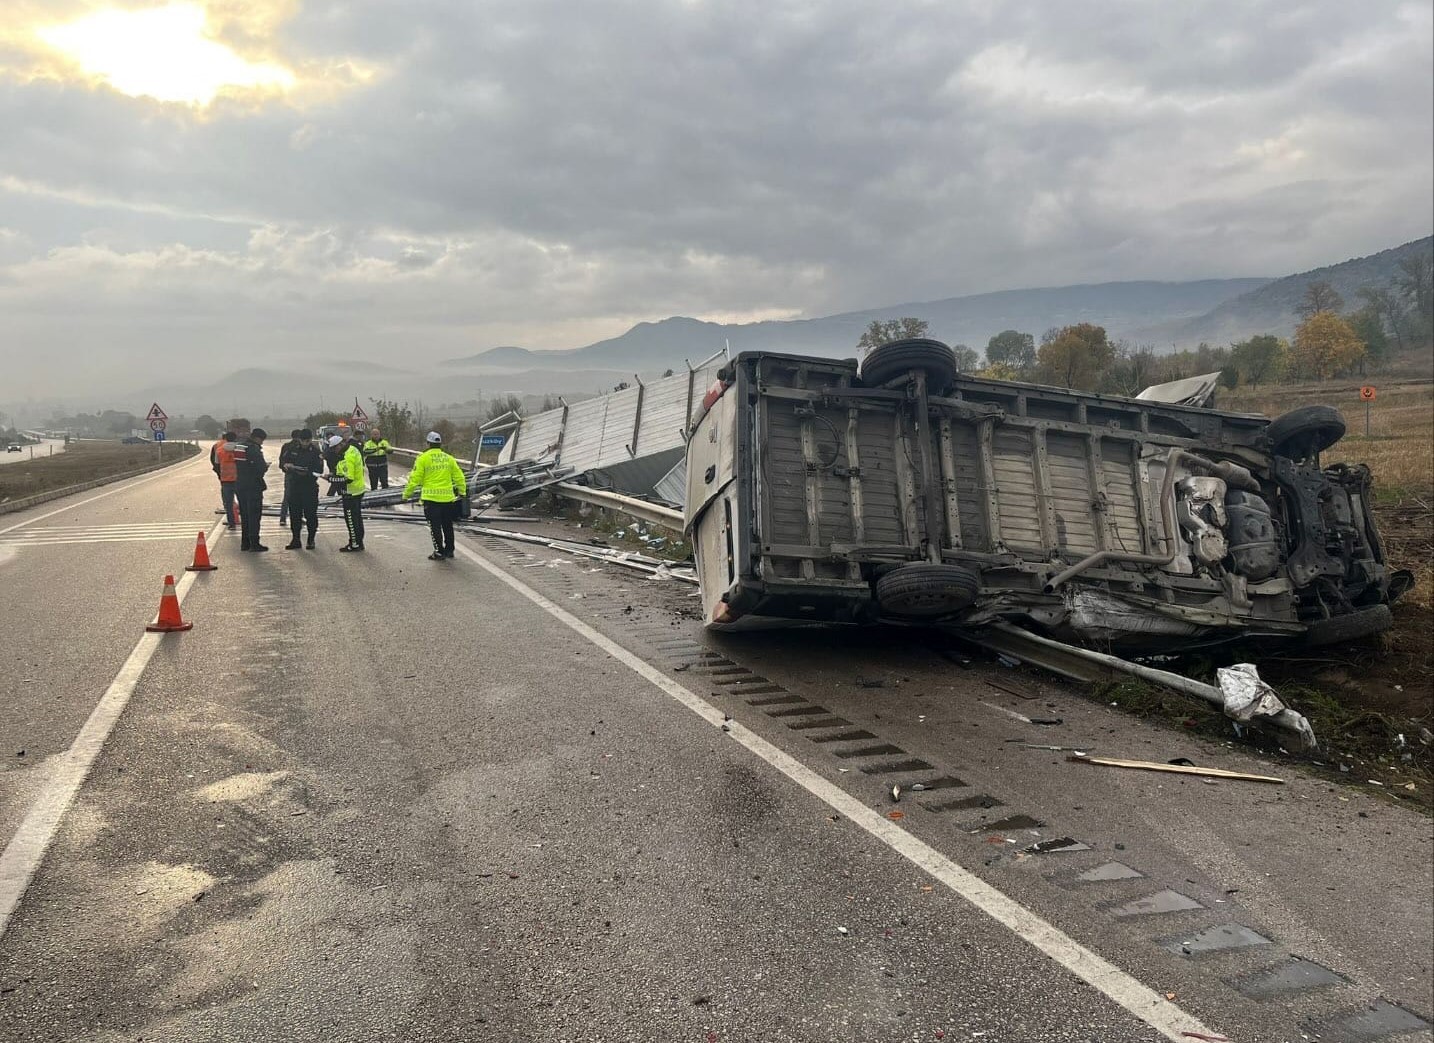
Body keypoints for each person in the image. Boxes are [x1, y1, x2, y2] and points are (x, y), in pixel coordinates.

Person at [403, 431, 468, 560]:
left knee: (435, 526)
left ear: (428, 443)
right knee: (447, 525)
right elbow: (459, 476)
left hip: (431, 500)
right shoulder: (448, 458)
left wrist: (406, 494)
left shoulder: (423, 458)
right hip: (447, 499)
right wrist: (462, 492)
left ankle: (439, 551)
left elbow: (414, 478)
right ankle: (449, 550)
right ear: (440, 444)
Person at [282, 429, 323, 550]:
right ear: (299, 440)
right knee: (295, 515)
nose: (305, 443)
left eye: (308, 440)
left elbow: (319, 471)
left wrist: (307, 472)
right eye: (303, 440)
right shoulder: (292, 449)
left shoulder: (315, 452)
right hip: (295, 486)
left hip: (309, 486)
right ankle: (296, 539)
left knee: (311, 515)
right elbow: (283, 462)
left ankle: (311, 539)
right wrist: (286, 466)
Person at [235, 427, 270, 552]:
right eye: (262, 440)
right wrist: (265, 467)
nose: (261, 443)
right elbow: (260, 467)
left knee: (244, 515)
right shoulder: (254, 449)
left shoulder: (239, 447)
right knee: (254, 515)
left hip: (239, 485)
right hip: (253, 486)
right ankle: (254, 543)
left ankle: (245, 543)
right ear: (257, 438)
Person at [330, 433, 366, 552]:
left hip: (350, 492)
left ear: (340, 445)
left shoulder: (347, 457)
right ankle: (359, 542)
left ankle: (354, 544)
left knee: (351, 519)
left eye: (335, 448)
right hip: (358, 489)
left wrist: (331, 479)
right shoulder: (353, 449)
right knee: (357, 518)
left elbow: (348, 478)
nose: (334, 451)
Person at [210, 431, 239, 528]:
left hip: (225, 480)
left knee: (229, 504)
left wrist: (220, 475)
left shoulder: (219, 450)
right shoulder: (240, 449)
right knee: (243, 502)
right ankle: (246, 523)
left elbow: (216, 465)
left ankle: (231, 524)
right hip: (239, 479)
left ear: (225, 438)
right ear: (235, 438)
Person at [277, 429, 302, 527]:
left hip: (292, 474)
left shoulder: (287, 446)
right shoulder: (289, 447)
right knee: (290, 496)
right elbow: (282, 462)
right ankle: (283, 517)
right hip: (293, 475)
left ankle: (285, 518)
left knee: (288, 496)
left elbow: (281, 462)